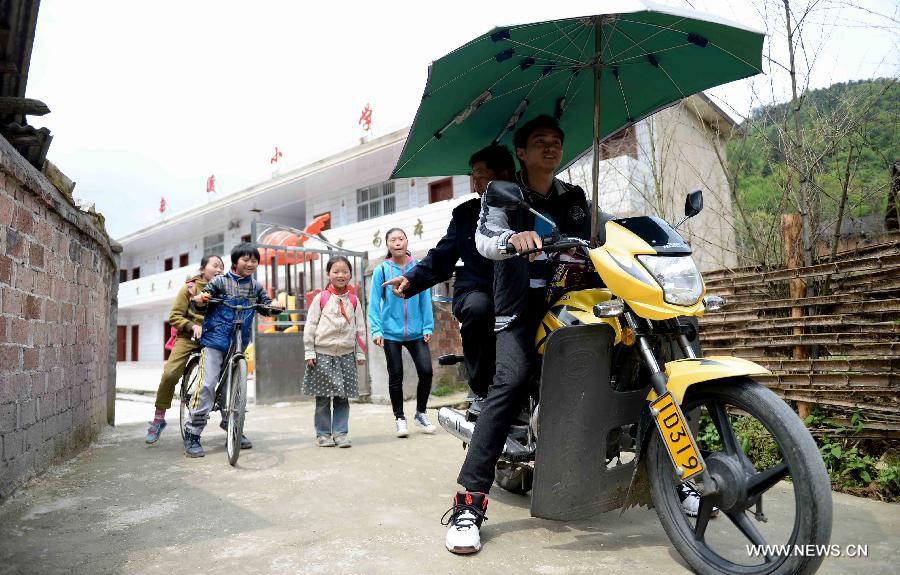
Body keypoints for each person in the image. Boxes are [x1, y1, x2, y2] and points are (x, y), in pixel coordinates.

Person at [444, 115, 592, 554]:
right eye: (540, 142)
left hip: (571, 303)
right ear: (522, 154)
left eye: (556, 142)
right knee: (509, 380)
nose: (550, 148)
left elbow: (598, 233)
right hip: (518, 309)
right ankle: (468, 504)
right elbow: (486, 240)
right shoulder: (503, 193)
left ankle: (683, 479)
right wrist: (514, 238)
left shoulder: (575, 197)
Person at [382, 145, 515, 400]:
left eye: (481, 174)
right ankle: (481, 390)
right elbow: (442, 256)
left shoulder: (525, 207)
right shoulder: (466, 215)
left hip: (519, 287)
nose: (474, 181)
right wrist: (410, 279)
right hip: (478, 288)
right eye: (472, 175)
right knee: (478, 308)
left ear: (504, 175)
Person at [183, 243, 283, 458]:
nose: (250, 264)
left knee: (235, 387)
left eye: (254, 260)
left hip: (239, 342)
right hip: (215, 339)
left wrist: (273, 306)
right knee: (208, 384)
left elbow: (266, 304)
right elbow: (202, 300)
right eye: (246, 259)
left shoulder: (255, 286)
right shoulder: (219, 281)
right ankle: (192, 432)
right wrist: (202, 299)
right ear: (235, 261)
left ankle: (232, 426)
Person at [145, 254, 224, 443]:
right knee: (170, 374)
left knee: (225, 374)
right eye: (215, 266)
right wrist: (192, 326)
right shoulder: (189, 288)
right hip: (188, 336)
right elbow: (175, 316)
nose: (219, 270)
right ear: (203, 268)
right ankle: (158, 419)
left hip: (212, 338)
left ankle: (229, 419)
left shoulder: (224, 290)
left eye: (222, 267)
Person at [368, 228, 436, 438]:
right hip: (391, 333)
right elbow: (374, 303)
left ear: (407, 242)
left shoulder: (417, 267)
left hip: (416, 332)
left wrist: (427, 326)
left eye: (401, 239)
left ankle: (421, 414)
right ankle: (400, 418)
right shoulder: (382, 270)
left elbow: (425, 298)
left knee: (426, 371)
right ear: (387, 245)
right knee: (395, 375)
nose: (397, 242)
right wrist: (377, 329)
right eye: (392, 240)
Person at [303, 256, 367, 448]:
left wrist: (360, 353)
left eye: (345, 271)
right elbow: (310, 326)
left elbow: (360, 329)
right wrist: (309, 352)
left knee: (342, 397)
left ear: (350, 275)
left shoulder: (354, 301)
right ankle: (323, 434)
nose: (341, 275)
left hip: (346, 355)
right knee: (322, 398)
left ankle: (340, 434)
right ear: (328, 274)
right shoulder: (320, 298)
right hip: (322, 354)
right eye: (336, 271)